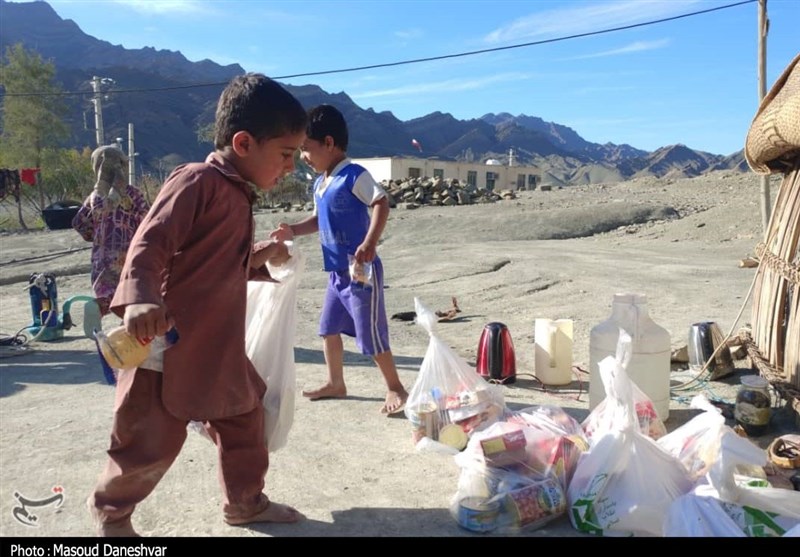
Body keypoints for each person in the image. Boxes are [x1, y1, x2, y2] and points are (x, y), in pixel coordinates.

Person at [87, 73, 307, 537]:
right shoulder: (197, 180)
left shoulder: (236, 192)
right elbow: (150, 243)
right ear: (244, 142)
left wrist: (258, 258)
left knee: (247, 420)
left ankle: (245, 503)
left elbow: (214, 262)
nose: (291, 167)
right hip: (166, 345)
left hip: (218, 348)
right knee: (146, 442)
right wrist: (141, 297)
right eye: (286, 155)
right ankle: (113, 515)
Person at [270, 104, 408, 415]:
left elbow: (381, 202)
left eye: (307, 149)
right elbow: (319, 220)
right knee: (328, 329)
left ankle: (395, 387)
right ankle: (336, 383)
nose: (303, 157)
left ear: (329, 143)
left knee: (371, 332)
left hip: (360, 272)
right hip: (335, 273)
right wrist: (292, 229)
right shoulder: (320, 183)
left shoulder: (354, 175)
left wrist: (370, 242)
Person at [72, 145, 150, 322]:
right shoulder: (133, 194)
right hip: (129, 255)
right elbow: (148, 220)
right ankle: (129, 328)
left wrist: (95, 235)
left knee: (107, 291)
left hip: (102, 257)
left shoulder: (95, 196)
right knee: (131, 293)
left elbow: (79, 223)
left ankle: (97, 307)